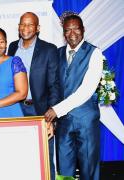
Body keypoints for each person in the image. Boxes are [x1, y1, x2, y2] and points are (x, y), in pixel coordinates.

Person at [45, 12, 103, 180]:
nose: (72, 34)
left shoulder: (94, 53)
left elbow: (87, 90)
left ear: (83, 30)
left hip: (85, 121)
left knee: (88, 170)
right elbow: (54, 85)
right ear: (63, 33)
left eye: (76, 29)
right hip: (63, 123)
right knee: (64, 171)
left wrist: (56, 109)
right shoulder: (58, 52)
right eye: (67, 30)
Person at [7, 12, 60, 180]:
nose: (25, 28)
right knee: (20, 158)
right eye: (22, 24)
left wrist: (51, 117)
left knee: (44, 159)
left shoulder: (49, 49)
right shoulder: (12, 47)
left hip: (40, 112)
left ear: (38, 28)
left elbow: (54, 85)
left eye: (30, 25)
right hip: (16, 110)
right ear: (18, 26)